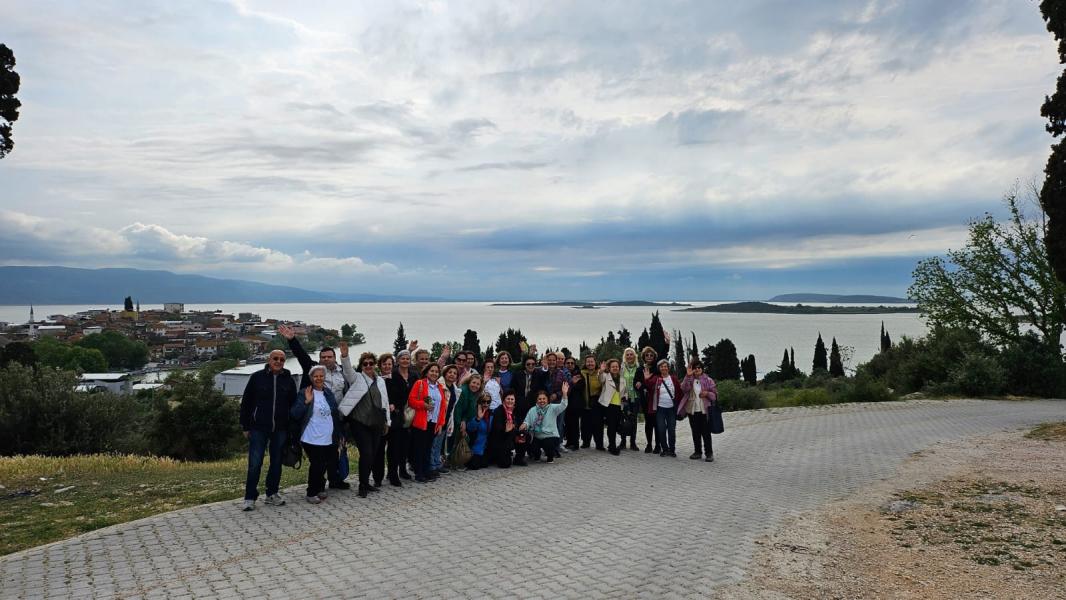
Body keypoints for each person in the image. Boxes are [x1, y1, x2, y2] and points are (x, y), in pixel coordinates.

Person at [279, 324, 353, 489]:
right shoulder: (313, 369)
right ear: (320, 359)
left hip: (336, 419)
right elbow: (301, 355)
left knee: (335, 453)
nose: (326, 359)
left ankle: (335, 480)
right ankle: (316, 485)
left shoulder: (343, 372)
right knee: (318, 457)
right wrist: (292, 340)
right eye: (323, 357)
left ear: (335, 358)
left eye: (329, 357)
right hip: (314, 420)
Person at [239, 349, 297, 511]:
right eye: (275, 358)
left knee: (276, 462)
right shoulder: (257, 377)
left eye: (282, 359)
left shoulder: (289, 380)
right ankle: (250, 497)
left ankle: (272, 493)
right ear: (269, 359)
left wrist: (291, 428)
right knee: (255, 463)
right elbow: (246, 403)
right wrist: (245, 425)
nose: (278, 362)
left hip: (280, 428)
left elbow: (292, 405)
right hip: (258, 427)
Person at [289, 366, 345, 504]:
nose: (319, 378)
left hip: (328, 436)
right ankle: (311, 492)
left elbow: (334, 415)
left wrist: (340, 435)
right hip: (311, 437)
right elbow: (295, 414)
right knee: (317, 464)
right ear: (311, 378)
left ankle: (320, 488)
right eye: (316, 376)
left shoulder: (328, 393)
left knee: (324, 464)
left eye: (321, 376)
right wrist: (306, 402)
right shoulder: (305, 392)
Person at [340, 352, 391, 497]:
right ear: (361, 365)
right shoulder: (357, 378)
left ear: (375, 364)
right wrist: (345, 356)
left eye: (371, 363)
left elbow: (385, 402)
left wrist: (387, 421)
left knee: (373, 453)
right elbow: (348, 370)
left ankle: (367, 482)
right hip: (360, 421)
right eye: (365, 364)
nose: (368, 366)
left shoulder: (380, 381)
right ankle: (362, 485)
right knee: (366, 453)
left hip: (376, 421)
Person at [407, 364, 448, 483]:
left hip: (433, 422)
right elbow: (411, 400)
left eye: (436, 371)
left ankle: (426, 470)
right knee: (419, 448)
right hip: (421, 422)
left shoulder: (440, 387)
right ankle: (419, 473)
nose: (434, 373)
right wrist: (423, 405)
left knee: (428, 448)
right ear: (427, 372)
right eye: (432, 371)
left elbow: (442, 407)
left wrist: (440, 423)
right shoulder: (420, 383)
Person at [678, 360, 719, 462]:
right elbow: (683, 389)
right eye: (695, 368)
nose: (697, 369)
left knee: (706, 433)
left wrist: (707, 394)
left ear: (702, 369)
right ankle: (697, 452)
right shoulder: (689, 379)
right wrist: (687, 376)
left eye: (699, 368)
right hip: (692, 410)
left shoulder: (708, 380)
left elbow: (715, 396)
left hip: (704, 411)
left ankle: (709, 453)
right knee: (695, 432)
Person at [377, 353, 408, 486]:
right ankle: (377, 478)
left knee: (394, 449)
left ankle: (393, 475)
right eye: (384, 364)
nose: (387, 366)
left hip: (395, 419)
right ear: (380, 366)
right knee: (379, 449)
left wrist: (395, 405)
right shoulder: (375, 378)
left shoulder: (397, 377)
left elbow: (404, 395)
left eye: (389, 364)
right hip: (380, 420)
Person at [521, 383, 570, 463]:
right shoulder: (532, 410)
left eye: (544, 399)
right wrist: (524, 425)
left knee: (548, 444)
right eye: (540, 399)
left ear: (547, 399)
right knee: (530, 443)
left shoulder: (552, 408)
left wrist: (564, 394)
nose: (542, 401)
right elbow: (527, 421)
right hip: (537, 435)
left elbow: (563, 405)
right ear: (536, 400)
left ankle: (550, 456)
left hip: (550, 435)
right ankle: (536, 455)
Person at [391, 349, 418, 481]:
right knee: (395, 445)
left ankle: (403, 470)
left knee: (405, 444)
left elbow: (420, 391)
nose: (405, 361)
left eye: (407, 358)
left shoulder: (414, 375)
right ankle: (393, 473)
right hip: (396, 413)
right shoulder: (393, 374)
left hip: (410, 413)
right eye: (402, 358)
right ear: (397, 360)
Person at [647, 359, 681, 457]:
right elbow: (649, 386)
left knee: (671, 429)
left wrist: (680, 406)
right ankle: (664, 449)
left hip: (671, 409)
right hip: (660, 409)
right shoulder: (656, 379)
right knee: (661, 429)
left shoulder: (673, 379)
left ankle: (672, 449)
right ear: (659, 368)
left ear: (668, 368)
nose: (664, 368)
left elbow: (679, 392)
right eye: (662, 366)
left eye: (665, 366)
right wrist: (646, 378)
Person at [435, 364, 461, 475]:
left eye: (455, 373)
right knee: (433, 444)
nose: (452, 375)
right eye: (450, 372)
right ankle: (431, 466)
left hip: (446, 419)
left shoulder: (454, 388)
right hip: (436, 419)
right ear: (445, 373)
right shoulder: (439, 385)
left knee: (439, 444)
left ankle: (437, 464)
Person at [632, 347, 659, 453]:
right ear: (643, 356)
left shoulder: (657, 369)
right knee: (648, 423)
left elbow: (657, 382)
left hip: (656, 398)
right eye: (647, 355)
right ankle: (649, 444)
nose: (649, 357)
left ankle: (658, 445)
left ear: (654, 357)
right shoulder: (640, 369)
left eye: (651, 355)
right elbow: (636, 383)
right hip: (645, 400)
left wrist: (643, 384)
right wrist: (638, 385)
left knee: (657, 423)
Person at [597, 359, 626, 455]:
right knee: (612, 426)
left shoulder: (622, 379)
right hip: (609, 405)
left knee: (617, 425)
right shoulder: (606, 376)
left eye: (616, 366)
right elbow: (600, 379)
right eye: (613, 366)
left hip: (619, 405)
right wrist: (601, 371)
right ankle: (612, 446)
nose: (615, 368)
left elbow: (624, 391)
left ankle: (612, 444)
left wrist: (625, 397)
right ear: (609, 368)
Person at [489, 390, 523, 468]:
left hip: (509, 438)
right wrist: (506, 430)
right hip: (499, 440)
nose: (510, 401)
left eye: (512, 399)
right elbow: (496, 430)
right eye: (508, 399)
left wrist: (520, 431)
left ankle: (519, 458)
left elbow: (517, 426)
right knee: (505, 464)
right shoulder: (499, 411)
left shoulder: (514, 411)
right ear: (504, 399)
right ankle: (498, 455)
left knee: (524, 435)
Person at [452, 373, 483, 457]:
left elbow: (468, 411)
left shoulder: (475, 394)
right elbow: (457, 410)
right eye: (473, 383)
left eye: (478, 384)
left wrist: (464, 420)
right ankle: (453, 461)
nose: (475, 385)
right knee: (455, 441)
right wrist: (461, 425)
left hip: (465, 420)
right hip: (456, 420)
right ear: (469, 382)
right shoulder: (463, 391)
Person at [580, 354, 604, 450]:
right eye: (588, 361)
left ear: (595, 363)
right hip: (585, 403)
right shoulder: (581, 373)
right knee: (585, 425)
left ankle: (599, 444)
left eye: (592, 361)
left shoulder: (600, 373)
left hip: (596, 404)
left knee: (598, 425)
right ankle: (586, 442)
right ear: (585, 363)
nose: (590, 363)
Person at [465, 393, 493, 470]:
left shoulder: (491, 415)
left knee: (485, 464)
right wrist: (478, 418)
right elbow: (470, 428)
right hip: (475, 447)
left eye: (488, 402)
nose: (486, 404)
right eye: (483, 401)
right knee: (475, 465)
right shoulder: (474, 412)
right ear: (479, 402)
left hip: (485, 447)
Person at [563, 356, 583, 451]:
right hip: (565, 402)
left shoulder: (579, 374)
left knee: (574, 424)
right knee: (567, 423)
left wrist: (573, 384)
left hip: (575, 402)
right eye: (568, 363)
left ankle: (575, 443)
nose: (570, 365)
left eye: (572, 363)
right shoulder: (563, 373)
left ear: (574, 365)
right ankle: (569, 441)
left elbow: (580, 387)